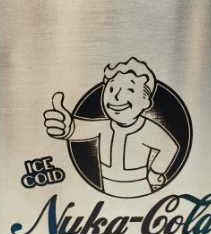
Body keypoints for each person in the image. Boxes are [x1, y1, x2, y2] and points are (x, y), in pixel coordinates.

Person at [44, 57, 179, 198]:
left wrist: (156, 172)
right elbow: (78, 129)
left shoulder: (147, 128)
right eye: (112, 89)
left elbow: (170, 147)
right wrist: (66, 127)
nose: (117, 96)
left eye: (129, 90)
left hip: (139, 187)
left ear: (145, 101)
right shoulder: (104, 126)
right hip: (107, 188)